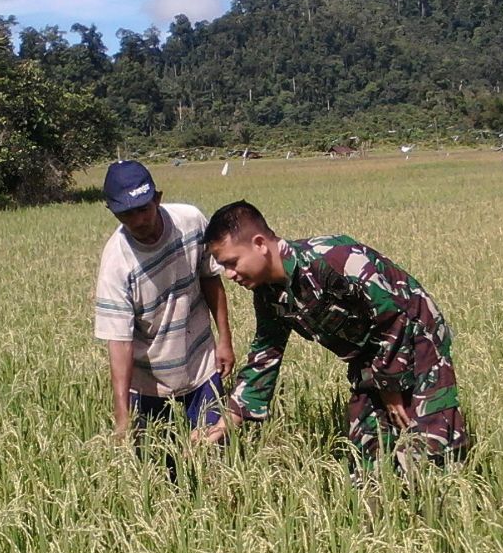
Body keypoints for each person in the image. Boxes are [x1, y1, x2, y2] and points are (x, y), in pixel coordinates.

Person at [197, 200, 468, 469]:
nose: (230, 275)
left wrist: (391, 388)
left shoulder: (334, 258)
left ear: (259, 244)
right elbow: (265, 354)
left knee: (430, 447)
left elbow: (395, 317)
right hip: (368, 356)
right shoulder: (269, 294)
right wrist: (224, 423)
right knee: (369, 454)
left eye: (232, 263)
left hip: (417, 339)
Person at [93, 160, 234, 444]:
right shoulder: (116, 263)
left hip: (202, 365)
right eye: (127, 214)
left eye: (143, 209)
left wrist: (225, 340)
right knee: (160, 467)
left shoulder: (191, 221)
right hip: (150, 384)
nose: (138, 221)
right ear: (112, 212)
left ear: (158, 198)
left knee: (214, 452)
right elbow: (119, 343)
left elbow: (209, 279)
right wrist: (123, 417)